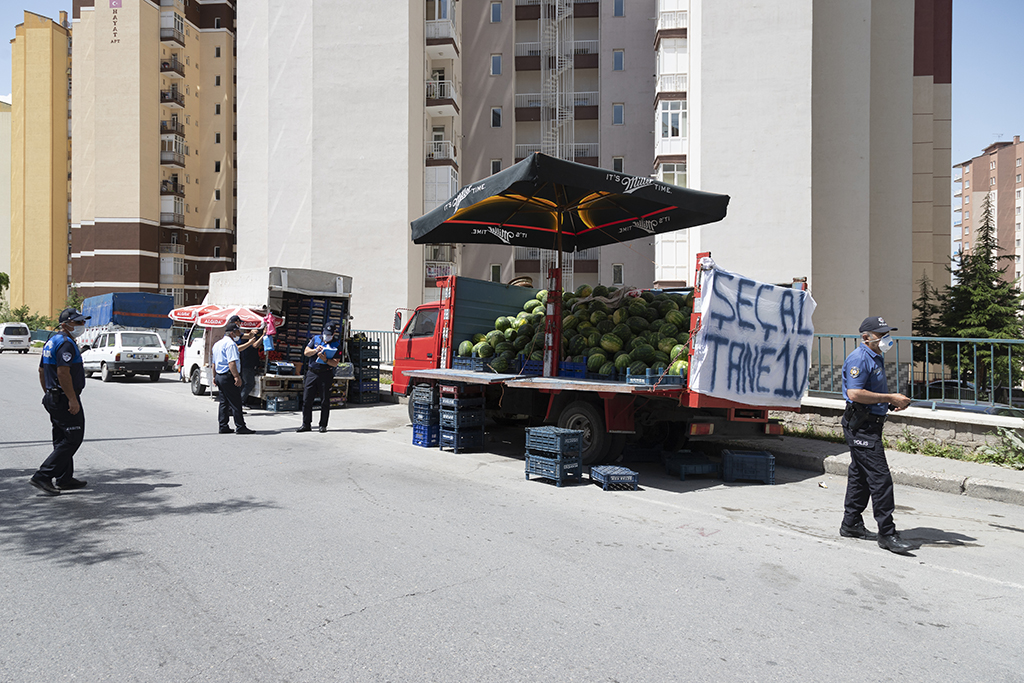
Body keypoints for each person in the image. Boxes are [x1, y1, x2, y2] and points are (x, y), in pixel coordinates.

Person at [839, 316, 913, 554]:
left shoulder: (876, 357)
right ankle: (887, 534)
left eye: (886, 334)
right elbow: (856, 393)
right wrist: (890, 398)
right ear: (866, 337)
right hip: (861, 426)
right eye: (881, 335)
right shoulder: (859, 358)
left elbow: (872, 393)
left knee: (860, 475)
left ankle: (850, 523)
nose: (885, 339)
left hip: (871, 423)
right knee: (880, 479)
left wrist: (887, 405)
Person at [30, 308, 92, 495]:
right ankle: (43, 476)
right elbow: (63, 372)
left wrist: (49, 393)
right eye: (78, 322)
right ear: (65, 325)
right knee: (73, 437)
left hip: (54, 397)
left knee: (61, 438)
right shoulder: (66, 344)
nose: (82, 326)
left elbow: (42, 371)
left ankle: (64, 478)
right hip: (64, 399)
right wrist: (72, 399)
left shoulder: (52, 341)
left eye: (83, 322)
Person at [297, 321, 342, 433]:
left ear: (334, 333)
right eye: (326, 333)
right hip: (312, 372)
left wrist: (325, 359)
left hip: (325, 373)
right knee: (307, 399)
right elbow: (306, 352)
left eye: (329, 334)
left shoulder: (336, 344)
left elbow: (335, 363)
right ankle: (306, 424)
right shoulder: (316, 339)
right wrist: (315, 351)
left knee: (324, 400)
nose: (327, 336)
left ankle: (323, 425)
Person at [212, 323, 255, 434]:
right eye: (237, 332)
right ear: (232, 333)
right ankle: (240, 426)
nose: (239, 334)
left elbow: (214, 363)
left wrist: (214, 376)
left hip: (219, 376)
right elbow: (231, 363)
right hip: (228, 376)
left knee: (223, 402)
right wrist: (237, 376)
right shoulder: (230, 344)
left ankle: (223, 425)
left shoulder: (217, 344)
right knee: (236, 402)